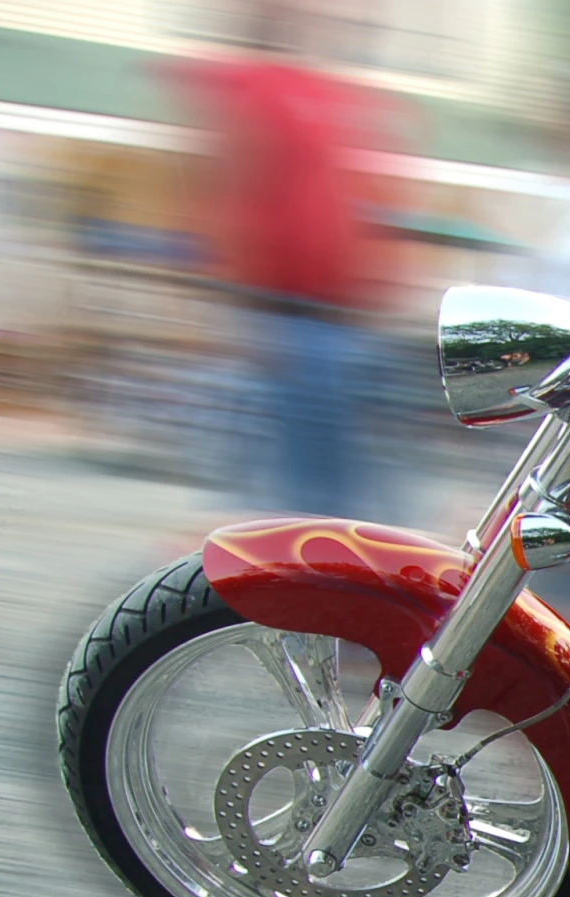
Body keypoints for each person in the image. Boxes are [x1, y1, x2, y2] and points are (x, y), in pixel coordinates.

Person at [172, 6, 395, 518]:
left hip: (337, 320)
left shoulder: (332, 95)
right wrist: (232, 298)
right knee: (302, 492)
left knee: (330, 485)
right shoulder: (253, 89)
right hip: (284, 314)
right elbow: (222, 188)